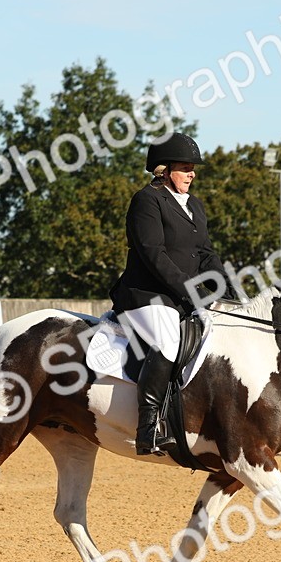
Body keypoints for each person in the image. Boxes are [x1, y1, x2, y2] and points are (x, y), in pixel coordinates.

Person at [109, 132, 232, 456]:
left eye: (193, 168)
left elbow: (205, 253)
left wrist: (228, 287)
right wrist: (193, 293)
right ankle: (148, 428)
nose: (192, 174)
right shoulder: (146, 201)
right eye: (185, 168)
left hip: (178, 297)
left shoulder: (195, 205)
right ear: (163, 170)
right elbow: (154, 255)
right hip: (144, 295)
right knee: (167, 340)